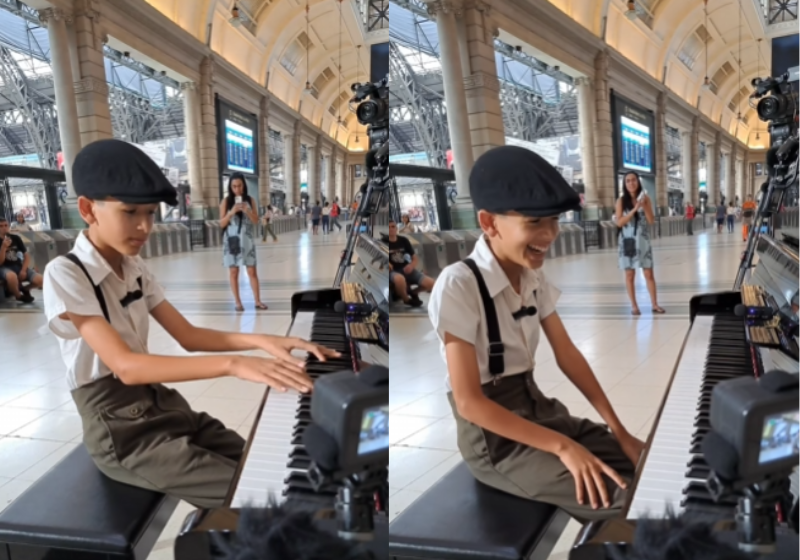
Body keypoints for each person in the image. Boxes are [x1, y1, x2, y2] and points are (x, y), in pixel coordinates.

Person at [42, 139, 338, 508]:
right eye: (131, 211)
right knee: (263, 500)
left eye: (150, 213)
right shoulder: (66, 272)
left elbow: (188, 336)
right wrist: (235, 364)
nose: (144, 226)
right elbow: (127, 367)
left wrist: (263, 341)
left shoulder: (133, 267)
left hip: (164, 406)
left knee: (269, 464)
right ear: (88, 209)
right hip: (124, 433)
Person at [428, 146, 643, 523]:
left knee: (643, 460)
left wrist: (620, 430)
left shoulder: (532, 276)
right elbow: (468, 402)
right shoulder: (458, 285)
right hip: (495, 442)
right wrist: (563, 447)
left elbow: (567, 354)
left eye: (554, 221)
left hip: (539, 412)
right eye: (533, 223)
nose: (549, 235)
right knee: (622, 504)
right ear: (489, 223)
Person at [615, 172, 665, 316]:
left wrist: (644, 206)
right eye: (628, 181)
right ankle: (634, 306)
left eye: (634, 180)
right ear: (625, 184)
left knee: (649, 273)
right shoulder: (621, 201)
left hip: (642, 240)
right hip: (627, 240)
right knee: (630, 274)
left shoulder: (646, 199)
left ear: (638, 182)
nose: (631, 183)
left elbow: (651, 220)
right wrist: (634, 210)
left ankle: (655, 304)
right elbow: (619, 222)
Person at [219, 173, 268, 312]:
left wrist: (247, 211)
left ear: (244, 185)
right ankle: (238, 302)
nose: (237, 189)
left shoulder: (250, 200)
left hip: (247, 239)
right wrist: (231, 212)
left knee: (252, 271)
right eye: (234, 186)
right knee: (234, 271)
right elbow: (221, 224)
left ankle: (257, 301)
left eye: (239, 186)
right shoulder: (226, 202)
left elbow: (256, 221)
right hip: (232, 240)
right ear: (230, 187)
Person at [388, 220, 435, 307]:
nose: (391, 229)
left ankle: (413, 292)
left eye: (393, 227)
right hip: (393, 271)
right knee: (399, 279)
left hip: (407, 269)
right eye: (388, 227)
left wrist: (411, 265)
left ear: (396, 228)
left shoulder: (404, 240)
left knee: (431, 283)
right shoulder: (383, 242)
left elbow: (414, 258)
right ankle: (406, 299)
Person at [0, 217, 41, 303]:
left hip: (17, 265)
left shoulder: (15, 238)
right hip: (4, 267)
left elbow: (26, 255)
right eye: (1, 226)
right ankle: (18, 295)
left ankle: (25, 289)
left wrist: (23, 270)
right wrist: (3, 248)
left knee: (40, 280)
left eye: (6, 225)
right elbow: (1, 262)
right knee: (12, 276)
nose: (4, 228)